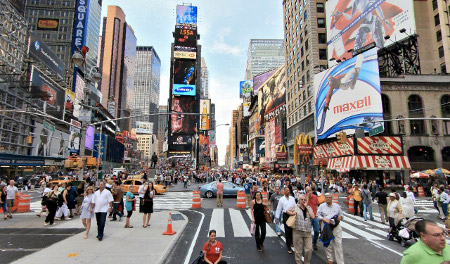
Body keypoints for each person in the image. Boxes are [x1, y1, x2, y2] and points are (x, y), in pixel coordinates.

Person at [317, 193, 344, 264]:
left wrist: (340, 217)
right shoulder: (322, 206)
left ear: (331, 198)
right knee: (329, 243)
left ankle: (340, 262)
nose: (328, 199)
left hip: (336, 226)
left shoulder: (337, 206)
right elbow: (318, 216)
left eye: (329, 197)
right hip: (326, 226)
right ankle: (330, 259)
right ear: (325, 198)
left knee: (338, 244)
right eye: (327, 197)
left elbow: (341, 214)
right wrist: (324, 219)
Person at [287, 194, 314, 264]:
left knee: (309, 249)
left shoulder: (309, 208)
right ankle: (299, 262)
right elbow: (287, 210)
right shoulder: (295, 207)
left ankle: (307, 262)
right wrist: (292, 213)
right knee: (298, 250)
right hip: (298, 231)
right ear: (299, 200)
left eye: (304, 200)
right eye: (302, 199)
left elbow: (313, 216)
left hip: (307, 231)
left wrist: (307, 207)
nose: (303, 201)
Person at [275, 187, 297, 254]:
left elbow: (295, 206)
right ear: (284, 191)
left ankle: (291, 241)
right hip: (285, 215)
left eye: (288, 190)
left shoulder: (292, 198)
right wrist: (277, 218)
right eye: (286, 190)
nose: (288, 191)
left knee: (292, 230)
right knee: (287, 231)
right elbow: (278, 209)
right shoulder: (281, 199)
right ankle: (288, 247)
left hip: (292, 215)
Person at [306, 186, 320, 250]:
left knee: (317, 230)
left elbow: (316, 206)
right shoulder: (305, 197)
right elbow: (304, 205)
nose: (309, 192)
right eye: (308, 191)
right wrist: (308, 198)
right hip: (308, 216)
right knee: (308, 231)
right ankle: (307, 243)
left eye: (310, 190)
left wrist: (316, 214)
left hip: (314, 216)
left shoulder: (315, 197)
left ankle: (314, 242)